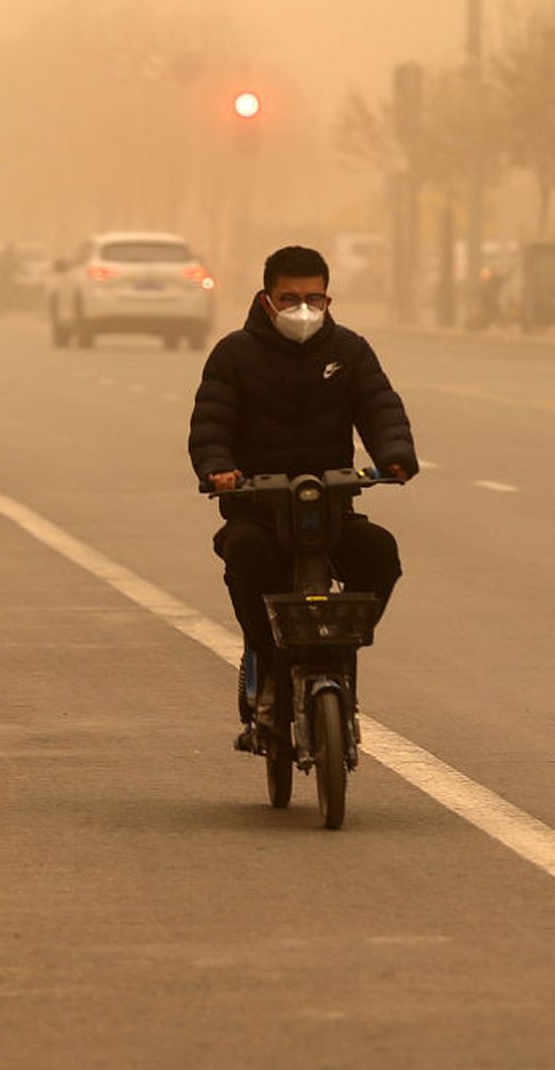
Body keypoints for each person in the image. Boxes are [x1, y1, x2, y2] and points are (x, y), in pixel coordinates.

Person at [188, 245, 418, 749]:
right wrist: (218, 469)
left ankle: (339, 649)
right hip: (258, 511)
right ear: (267, 300)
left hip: (331, 509)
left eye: (314, 297)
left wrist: (396, 455)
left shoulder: (349, 351)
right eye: (290, 298)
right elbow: (211, 423)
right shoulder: (234, 355)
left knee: (379, 552)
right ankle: (267, 665)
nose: (303, 308)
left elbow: (380, 408)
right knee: (245, 556)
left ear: (329, 299)